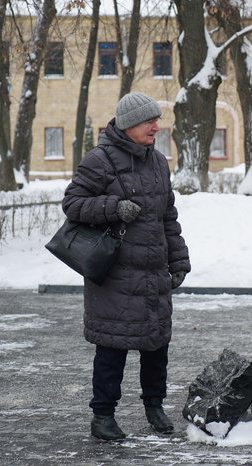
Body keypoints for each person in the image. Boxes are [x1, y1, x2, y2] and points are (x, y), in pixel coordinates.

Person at [62, 91, 190, 441]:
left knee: (156, 346)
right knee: (112, 349)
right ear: (128, 124)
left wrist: (179, 260)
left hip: (154, 273)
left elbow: (168, 217)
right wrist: (113, 207)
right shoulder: (100, 160)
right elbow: (72, 203)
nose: (156, 127)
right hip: (115, 275)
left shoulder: (158, 161)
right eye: (149, 121)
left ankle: (155, 407)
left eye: (156, 120)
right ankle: (102, 416)